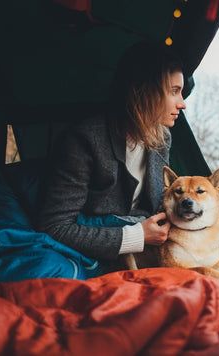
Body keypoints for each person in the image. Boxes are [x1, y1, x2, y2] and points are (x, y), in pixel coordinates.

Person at [36, 40, 187, 272]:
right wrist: (135, 236)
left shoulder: (162, 137)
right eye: (174, 91)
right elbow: (54, 226)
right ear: (145, 90)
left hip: (142, 242)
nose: (182, 103)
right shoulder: (84, 139)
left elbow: (156, 203)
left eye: (182, 92)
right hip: (96, 246)